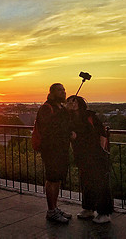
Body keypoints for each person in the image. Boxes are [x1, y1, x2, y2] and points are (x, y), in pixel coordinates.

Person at [67, 95, 113, 224]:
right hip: (81, 154)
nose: (72, 103)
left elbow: (102, 132)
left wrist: (101, 150)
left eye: (74, 100)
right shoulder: (68, 118)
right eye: (69, 101)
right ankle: (88, 208)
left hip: (94, 154)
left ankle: (104, 212)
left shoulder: (89, 116)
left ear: (80, 102)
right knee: (86, 181)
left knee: (99, 182)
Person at [36, 83, 73, 223]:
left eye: (64, 90)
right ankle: (51, 211)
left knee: (56, 180)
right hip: (51, 150)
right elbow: (50, 130)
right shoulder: (47, 108)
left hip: (61, 149)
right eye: (60, 90)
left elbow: (64, 125)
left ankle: (55, 208)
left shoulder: (59, 108)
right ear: (51, 93)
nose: (63, 92)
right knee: (52, 180)